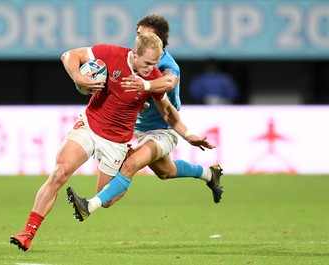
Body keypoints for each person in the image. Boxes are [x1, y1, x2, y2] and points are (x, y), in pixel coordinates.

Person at [9, 32, 215, 251]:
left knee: (107, 200)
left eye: (154, 64)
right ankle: (28, 233)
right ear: (134, 54)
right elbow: (69, 56)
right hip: (90, 125)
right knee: (60, 172)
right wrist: (79, 77)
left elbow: (167, 112)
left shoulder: (152, 78)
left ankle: (126, 168)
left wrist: (187, 134)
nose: (150, 69)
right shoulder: (111, 53)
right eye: (146, 63)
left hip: (116, 142)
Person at [66, 15, 223, 222]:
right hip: (140, 129)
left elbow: (168, 83)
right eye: (137, 34)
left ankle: (88, 205)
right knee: (166, 171)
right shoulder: (136, 58)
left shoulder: (165, 64)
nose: (137, 38)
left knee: (130, 165)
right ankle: (209, 174)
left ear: (155, 39)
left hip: (163, 130)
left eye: (142, 34)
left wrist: (146, 85)